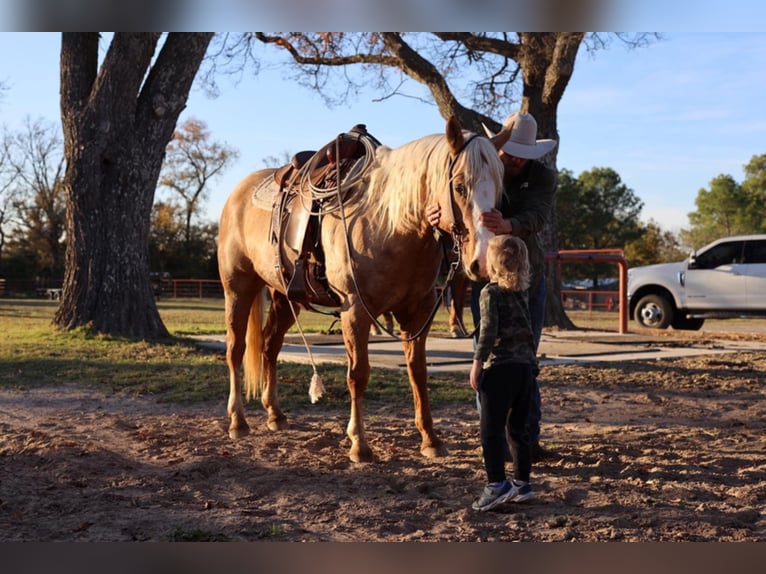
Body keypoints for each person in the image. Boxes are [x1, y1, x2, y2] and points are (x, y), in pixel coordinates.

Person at [427, 111, 558, 462]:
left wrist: (509, 224)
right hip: (487, 276)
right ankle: (495, 436)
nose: (514, 159)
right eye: (511, 151)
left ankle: (526, 438)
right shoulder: (483, 163)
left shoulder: (543, 176)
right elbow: (463, 208)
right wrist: (439, 219)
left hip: (526, 279)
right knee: (487, 359)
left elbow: (538, 216)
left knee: (525, 361)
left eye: (522, 154)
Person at [470, 234, 536, 511]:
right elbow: (528, 331)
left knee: (491, 430)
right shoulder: (522, 292)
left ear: (493, 263)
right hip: (524, 370)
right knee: (519, 429)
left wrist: (477, 363)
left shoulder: (490, 293)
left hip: (499, 369)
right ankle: (522, 483)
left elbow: (488, 332)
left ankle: (496, 483)